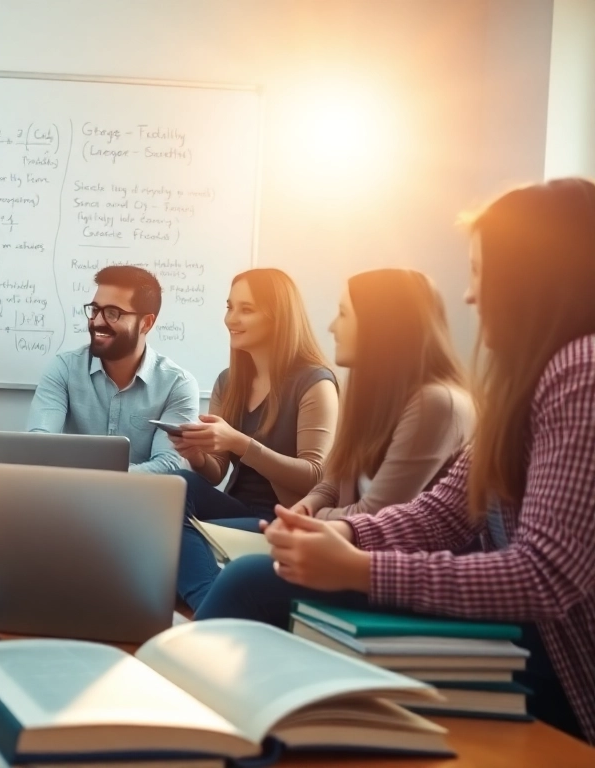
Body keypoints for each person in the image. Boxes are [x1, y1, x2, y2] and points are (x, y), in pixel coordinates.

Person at [195, 178, 595, 744]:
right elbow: (444, 513)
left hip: (560, 664)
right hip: (523, 632)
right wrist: (345, 535)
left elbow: (546, 576)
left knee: (253, 579)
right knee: (256, 575)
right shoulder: (525, 382)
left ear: (532, 277)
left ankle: (182, 735)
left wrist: (360, 568)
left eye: (480, 272)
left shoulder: (582, 370)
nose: (470, 296)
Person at [170, 268, 337, 609]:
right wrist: (197, 454)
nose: (231, 319)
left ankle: (209, 610)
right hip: (238, 507)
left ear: (279, 318)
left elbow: (314, 476)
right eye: (230, 307)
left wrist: (240, 443)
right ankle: (213, 600)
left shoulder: (315, 383)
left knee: (169, 536)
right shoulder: (229, 381)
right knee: (177, 486)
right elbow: (216, 472)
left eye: (246, 309)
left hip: (284, 516)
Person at [294, 269, 473, 520]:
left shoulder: (437, 404)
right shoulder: (370, 398)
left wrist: (306, 520)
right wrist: (307, 506)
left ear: (381, 324)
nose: (332, 327)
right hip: (339, 538)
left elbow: (375, 516)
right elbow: (334, 482)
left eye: (343, 314)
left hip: (381, 545)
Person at [25, 265, 199, 472]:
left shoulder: (177, 385)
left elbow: (169, 465)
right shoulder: (65, 368)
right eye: (95, 310)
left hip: (138, 493)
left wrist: (95, 478)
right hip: (72, 490)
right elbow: (39, 445)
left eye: (112, 313)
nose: (97, 321)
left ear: (146, 323)